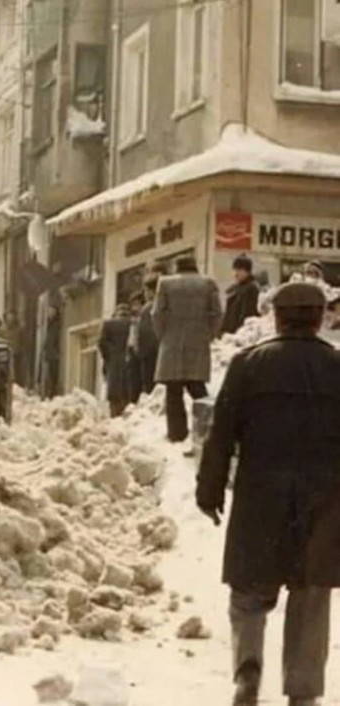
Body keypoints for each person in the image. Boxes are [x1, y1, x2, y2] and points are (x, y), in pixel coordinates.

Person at [197, 282, 340, 706]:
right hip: (324, 501)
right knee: (311, 596)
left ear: (276, 317)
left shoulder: (248, 364)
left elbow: (220, 434)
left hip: (260, 495)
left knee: (248, 591)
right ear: (319, 319)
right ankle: (302, 691)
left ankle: (247, 673)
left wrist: (209, 489)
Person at [152, 256, 222, 443]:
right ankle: (209, 429)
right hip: (198, 342)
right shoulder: (208, 284)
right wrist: (209, 335)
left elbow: (157, 314)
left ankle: (177, 434)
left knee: (173, 392)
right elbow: (217, 313)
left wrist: (164, 336)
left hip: (171, 343)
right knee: (197, 387)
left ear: (177, 267)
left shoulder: (165, 284)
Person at [99, 303, 132, 418]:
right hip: (130, 371)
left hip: (113, 369)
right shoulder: (132, 324)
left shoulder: (108, 325)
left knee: (114, 404)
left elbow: (102, 344)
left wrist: (110, 357)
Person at [133, 275, 160, 395]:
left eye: (145, 291)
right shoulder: (169, 304)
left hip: (150, 356)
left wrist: (139, 352)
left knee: (150, 391)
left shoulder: (148, 309)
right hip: (166, 354)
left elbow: (144, 335)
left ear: (150, 291)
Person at [221, 255, 261, 336]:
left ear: (247, 271)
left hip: (241, 332)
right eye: (235, 269)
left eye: (239, 270)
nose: (236, 273)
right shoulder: (235, 288)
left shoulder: (251, 288)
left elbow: (247, 313)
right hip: (230, 332)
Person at [126, 292, 145, 403]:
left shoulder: (145, 317)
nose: (134, 308)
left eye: (136, 304)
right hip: (133, 355)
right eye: (132, 305)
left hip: (142, 355)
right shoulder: (132, 320)